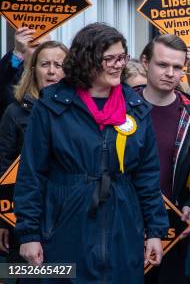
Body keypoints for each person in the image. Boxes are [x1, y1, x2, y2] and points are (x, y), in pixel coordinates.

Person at [14, 23, 168, 283]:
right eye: (109, 59)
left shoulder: (136, 108)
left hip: (123, 226)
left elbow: (147, 176)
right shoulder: (52, 105)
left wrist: (155, 231)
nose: (118, 65)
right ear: (87, 60)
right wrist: (28, 235)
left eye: (122, 57)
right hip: (63, 228)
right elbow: (32, 174)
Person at [138, 34, 190, 283]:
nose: (170, 72)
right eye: (162, 65)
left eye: (177, 67)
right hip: (124, 225)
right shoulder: (120, 108)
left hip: (173, 229)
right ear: (145, 63)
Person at [0, 40, 68, 260]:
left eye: (59, 65)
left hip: (68, 213)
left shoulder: (78, 110)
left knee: (65, 274)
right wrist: (3, 219)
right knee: (27, 274)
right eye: (45, 64)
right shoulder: (14, 111)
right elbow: (3, 166)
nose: (51, 71)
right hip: (25, 216)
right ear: (33, 69)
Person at [0, 28, 49, 117]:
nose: (41, 51)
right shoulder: (11, 75)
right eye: (35, 46)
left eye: (46, 46)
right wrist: (18, 52)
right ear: (24, 50)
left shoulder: (58, 74)